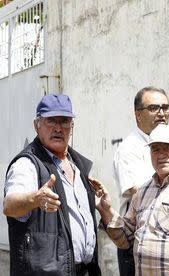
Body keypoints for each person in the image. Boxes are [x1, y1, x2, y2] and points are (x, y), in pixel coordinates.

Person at [93, 124, 169, 275]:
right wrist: (106, 210)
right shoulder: (144, 191)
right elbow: (125, 239)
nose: (161, 155)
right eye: (155, 149)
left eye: (168, 148)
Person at [3, 94, 101, 275]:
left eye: (64, 121)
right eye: (51, 121)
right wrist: (35, 199)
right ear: (36, 125)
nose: (58, 128)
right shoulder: (28, 164)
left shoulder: (79, 165)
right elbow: (10, 206)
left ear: (72, 126)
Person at [112, 86, 169, 276]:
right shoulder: (130, 148)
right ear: (138, 115)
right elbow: (139, 192)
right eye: (154, 108)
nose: (162, 114)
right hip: (136, 241)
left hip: (166, 241)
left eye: (165, 108)